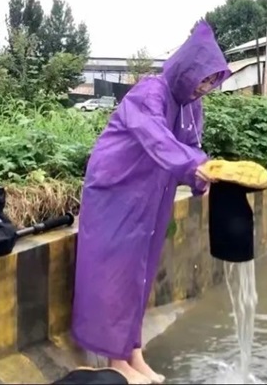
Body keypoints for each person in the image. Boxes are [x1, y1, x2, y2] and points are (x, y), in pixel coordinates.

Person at [71, 20, 231, 384]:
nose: (205, 87)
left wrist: (203, 177)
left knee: (139, 274)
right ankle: (116, 361)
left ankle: (134, 353)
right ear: (186, 70)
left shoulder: (191, 106)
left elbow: (190, 149)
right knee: (114, 274)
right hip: (117, 190)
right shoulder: (150, 91)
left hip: (153, 193)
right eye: (203, 78)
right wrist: (194, 165)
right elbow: (155, 136)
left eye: (212, 82)